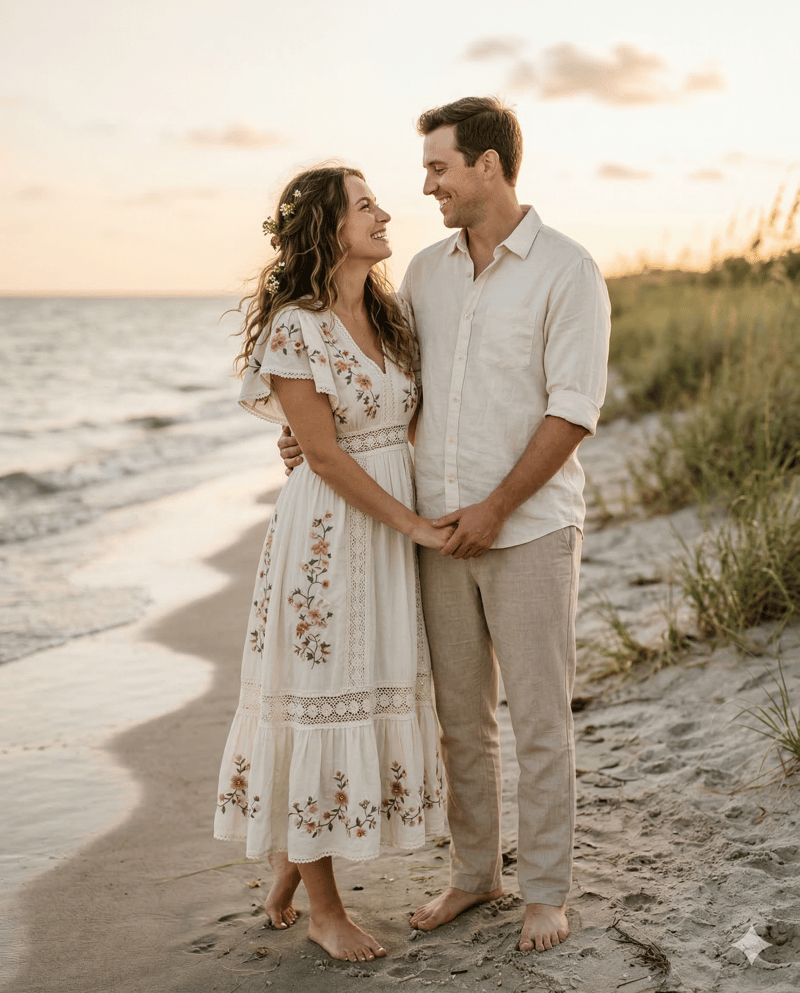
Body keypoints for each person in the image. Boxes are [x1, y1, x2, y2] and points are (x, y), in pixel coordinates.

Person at [279, 97, 611, 954]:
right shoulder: (424, 273)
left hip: (528, 528)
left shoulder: (568, 272)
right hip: (434, 527)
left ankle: (544, 889)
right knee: (460, 716)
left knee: (539, 714)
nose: (425, 185)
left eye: (439, 168)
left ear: (489, 166)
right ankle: (475, 873)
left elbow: (573, 411)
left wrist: (496, 508)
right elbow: (386, 383)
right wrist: (309, 434)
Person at [214, 165, 447, 963]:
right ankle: (322, 909)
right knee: (315, 699)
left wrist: (414, 515)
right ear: (327, 227)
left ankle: (289, 865)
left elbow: (403, 424)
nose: (385, 213)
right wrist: (413, 522)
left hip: (383, 536)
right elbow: (319, 452)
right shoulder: (294, 326)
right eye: (365, 204)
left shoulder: (391, 312)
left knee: (366, 689)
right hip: (326, 539)